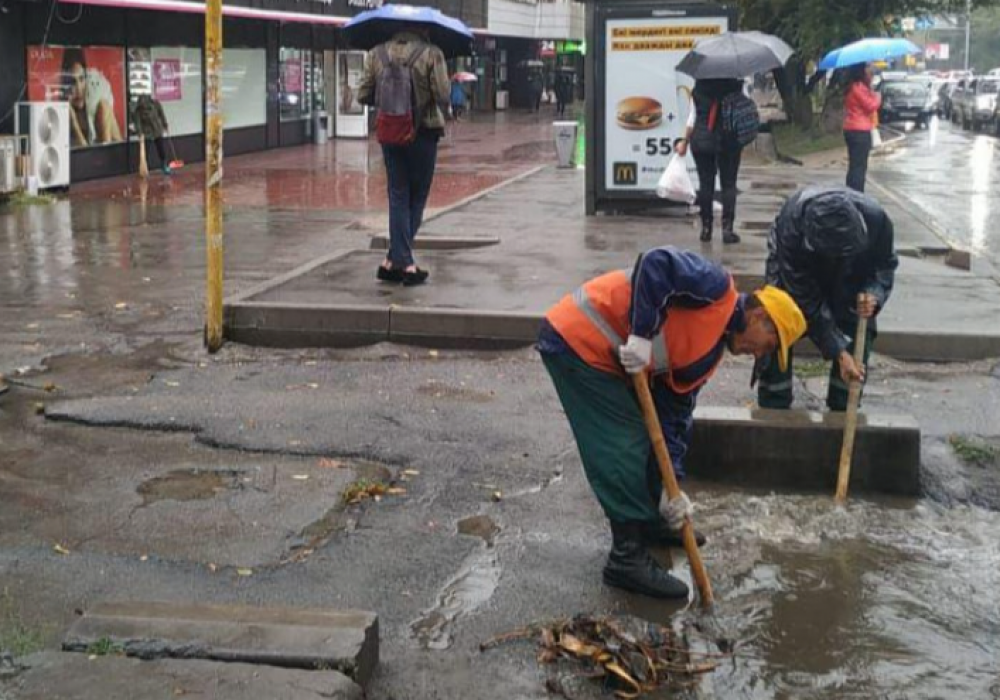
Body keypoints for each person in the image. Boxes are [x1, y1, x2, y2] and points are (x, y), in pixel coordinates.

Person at [538, 246, 806, 599]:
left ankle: (650, 523)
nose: (760, 355)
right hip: (577, 338)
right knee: (624, 441)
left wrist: (671, 488)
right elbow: (655, 262)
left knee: (649, 441)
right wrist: (642, 334)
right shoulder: (714, 287)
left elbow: (674, 420)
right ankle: (626, 558)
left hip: (607, 356)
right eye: (768, 345)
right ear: (759, 316)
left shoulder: (707, 358)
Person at [757, 187, 898, 412]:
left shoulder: (877, 221)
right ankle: (774, 404)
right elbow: (806, 299)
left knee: (858, 322)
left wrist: (875, 293)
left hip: (852, 276)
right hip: (794, 271)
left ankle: (843, 406)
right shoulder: (792, 228)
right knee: (776, 319)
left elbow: (885, 266)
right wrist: (838, 351)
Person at [358, 26, 451, 287]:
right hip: (423, 132)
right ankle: (407, 265)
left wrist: (389, 101)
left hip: (390, 133)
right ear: (422, 28)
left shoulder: (377, 53)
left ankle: (391, 262)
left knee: (398, 196)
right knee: (418, 196)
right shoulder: (432, 53)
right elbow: (443, 94)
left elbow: (362, 94)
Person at [676, 79, 746, 245]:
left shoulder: (699, 89)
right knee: (729, 184)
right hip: (729, 141)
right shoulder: (736, 86)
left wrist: (685, 141)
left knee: (705, 184)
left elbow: (692, 118)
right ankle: (727, 230)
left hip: (701, 141)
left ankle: (706, 229)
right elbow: (744, 111)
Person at [62, 48, 123, 148]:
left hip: (106, 156)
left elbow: (91, 155)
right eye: (72, 82)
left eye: (81, 79)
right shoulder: (62, 109)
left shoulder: (98, 106)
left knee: (104, 106)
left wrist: (74, 124)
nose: (78, 88)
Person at [842, 63, 881, 192]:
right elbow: (870, 106)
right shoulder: (858, 87)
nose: (869, 69)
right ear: (860, 70)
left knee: (854, 165)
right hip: (860, 130)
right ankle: (857, 194)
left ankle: (851, 192)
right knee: (859, 167)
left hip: (851, 128)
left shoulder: (853, 86)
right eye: (867, 67)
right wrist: (878, 97)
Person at [130, 94, 172, 175]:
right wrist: (140, 133)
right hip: (147, 132)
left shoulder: (156, 104)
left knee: (161, 149)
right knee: (146, 151)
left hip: (157, 129)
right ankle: (145, 168)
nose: (144, 107)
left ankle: (164, 165)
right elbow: (138, 123)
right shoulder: (138, 111)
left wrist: (165, 124)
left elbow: (161, 114)